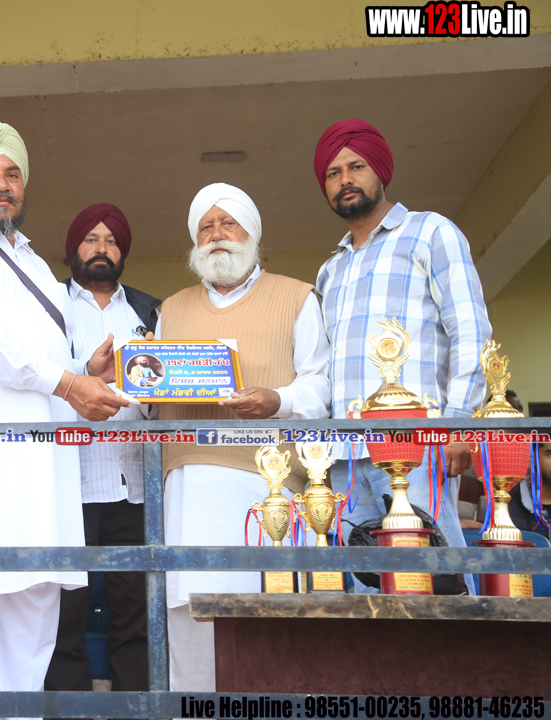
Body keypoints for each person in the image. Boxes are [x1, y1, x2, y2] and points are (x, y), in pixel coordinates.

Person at [0, 121, 129, 712]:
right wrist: (70, 382)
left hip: (41, 473)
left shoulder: (36, 266)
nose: (1, 185)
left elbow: (39, 359)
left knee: (33, 618)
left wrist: (84, 370)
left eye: (12, 174)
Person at [159, 183, 331, 691]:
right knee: (190, 617)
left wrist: (277, 399)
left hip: (267, 486)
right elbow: (150, 391)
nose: (217, 235)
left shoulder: (296, 296)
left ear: (251, 234)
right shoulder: (171, 308)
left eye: (228, 223)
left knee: (267, 617)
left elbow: (321, 385)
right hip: (187, 487)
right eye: (206, 227)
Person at [314, 119, 492, 593]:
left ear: (380, 171)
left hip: (416, 449)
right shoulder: (330, 270)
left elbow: (471, 330)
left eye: (356, 167)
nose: (345, 180)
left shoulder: (430, 232)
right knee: (367, 597)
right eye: (333, 173)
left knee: (436, 588)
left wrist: (457, 424)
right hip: (346, 457)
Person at [45, 203, 157, 703]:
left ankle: (136, 705)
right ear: (73, 249)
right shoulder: (49, 306)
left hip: (133, 487)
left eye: (111, 240)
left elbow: (164, 391)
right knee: (64, 607)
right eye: (90, 239)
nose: (101, 249)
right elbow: (35, 377)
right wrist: (85, 373)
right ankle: (66, 708)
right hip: (71, 482)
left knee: (134, 608)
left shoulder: (149, 312)